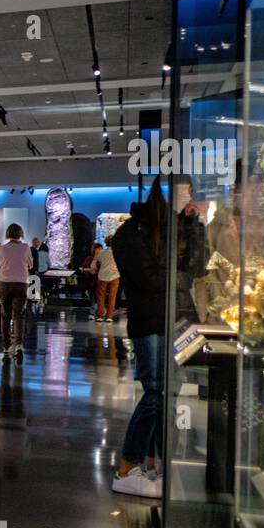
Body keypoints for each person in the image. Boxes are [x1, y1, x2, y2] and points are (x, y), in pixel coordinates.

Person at [110, 177, 169, 497]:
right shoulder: (131, 235)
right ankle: (128, 466)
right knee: (155, 392)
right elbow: (150, 278)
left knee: (159, 393)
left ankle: (148, 461)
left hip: (159, 320)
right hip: (148, 322)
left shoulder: (149, 232)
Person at [0, 224, 32, 363]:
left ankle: (6, 346)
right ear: (20, 233)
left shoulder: (0, 248)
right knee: (19, 315)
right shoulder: (25, 247)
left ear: (8, 233)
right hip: (21, 283)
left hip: (4, 283)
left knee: (5, 315)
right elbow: (31, 264)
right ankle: (19, 345)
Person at [93, 237, 121, 323]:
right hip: (115, 276)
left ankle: (100, 316)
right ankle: (109, 317)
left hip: (102, 276)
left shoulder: (102, 252)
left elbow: (96, 262)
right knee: (112, 297)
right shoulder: (118, 253)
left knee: (101, 297)